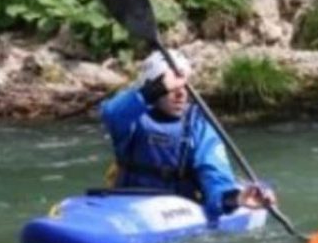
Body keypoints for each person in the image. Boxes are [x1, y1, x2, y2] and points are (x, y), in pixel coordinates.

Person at [100, 49, 275, 219]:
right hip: (125, 202)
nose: (181, 94)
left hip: (177, 208)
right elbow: (111, 113)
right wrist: (155, 89)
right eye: (172, 87)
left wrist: (234, 199)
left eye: (185, 86)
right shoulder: (133, 117)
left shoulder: (198, 125)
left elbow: (214, 175)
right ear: (153, 88)